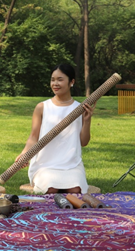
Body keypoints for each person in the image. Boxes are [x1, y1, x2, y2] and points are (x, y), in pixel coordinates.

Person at [16, 64, 95, 194]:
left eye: (60, 79)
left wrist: (87, 121)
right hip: (45, 165)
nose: (55, 83)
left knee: (75, 191)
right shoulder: (42, 107)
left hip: (71, 165)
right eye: (52, 79)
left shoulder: (80, 109)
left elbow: (84, 142)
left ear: (72, 82)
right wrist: (25, 153)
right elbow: (33, 137)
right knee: (51, 189)